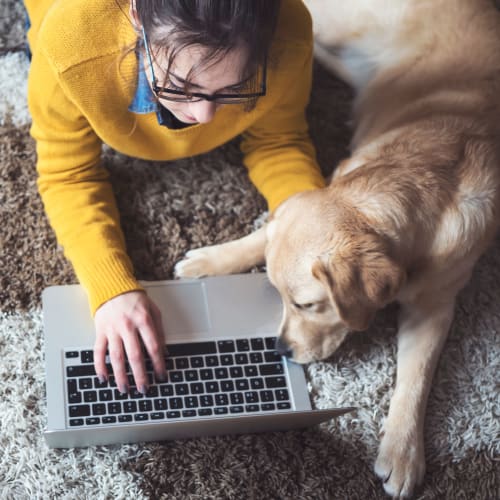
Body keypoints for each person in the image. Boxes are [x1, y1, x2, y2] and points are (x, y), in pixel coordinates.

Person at [25, 0, 325, 395]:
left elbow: (279, 140)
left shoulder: (289, 32)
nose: (204, 116)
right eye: (182, 87)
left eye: (234, 88)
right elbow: (68, 173)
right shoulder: (70, 42)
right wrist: (111, 290)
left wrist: (314, 233)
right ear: (136, 18)